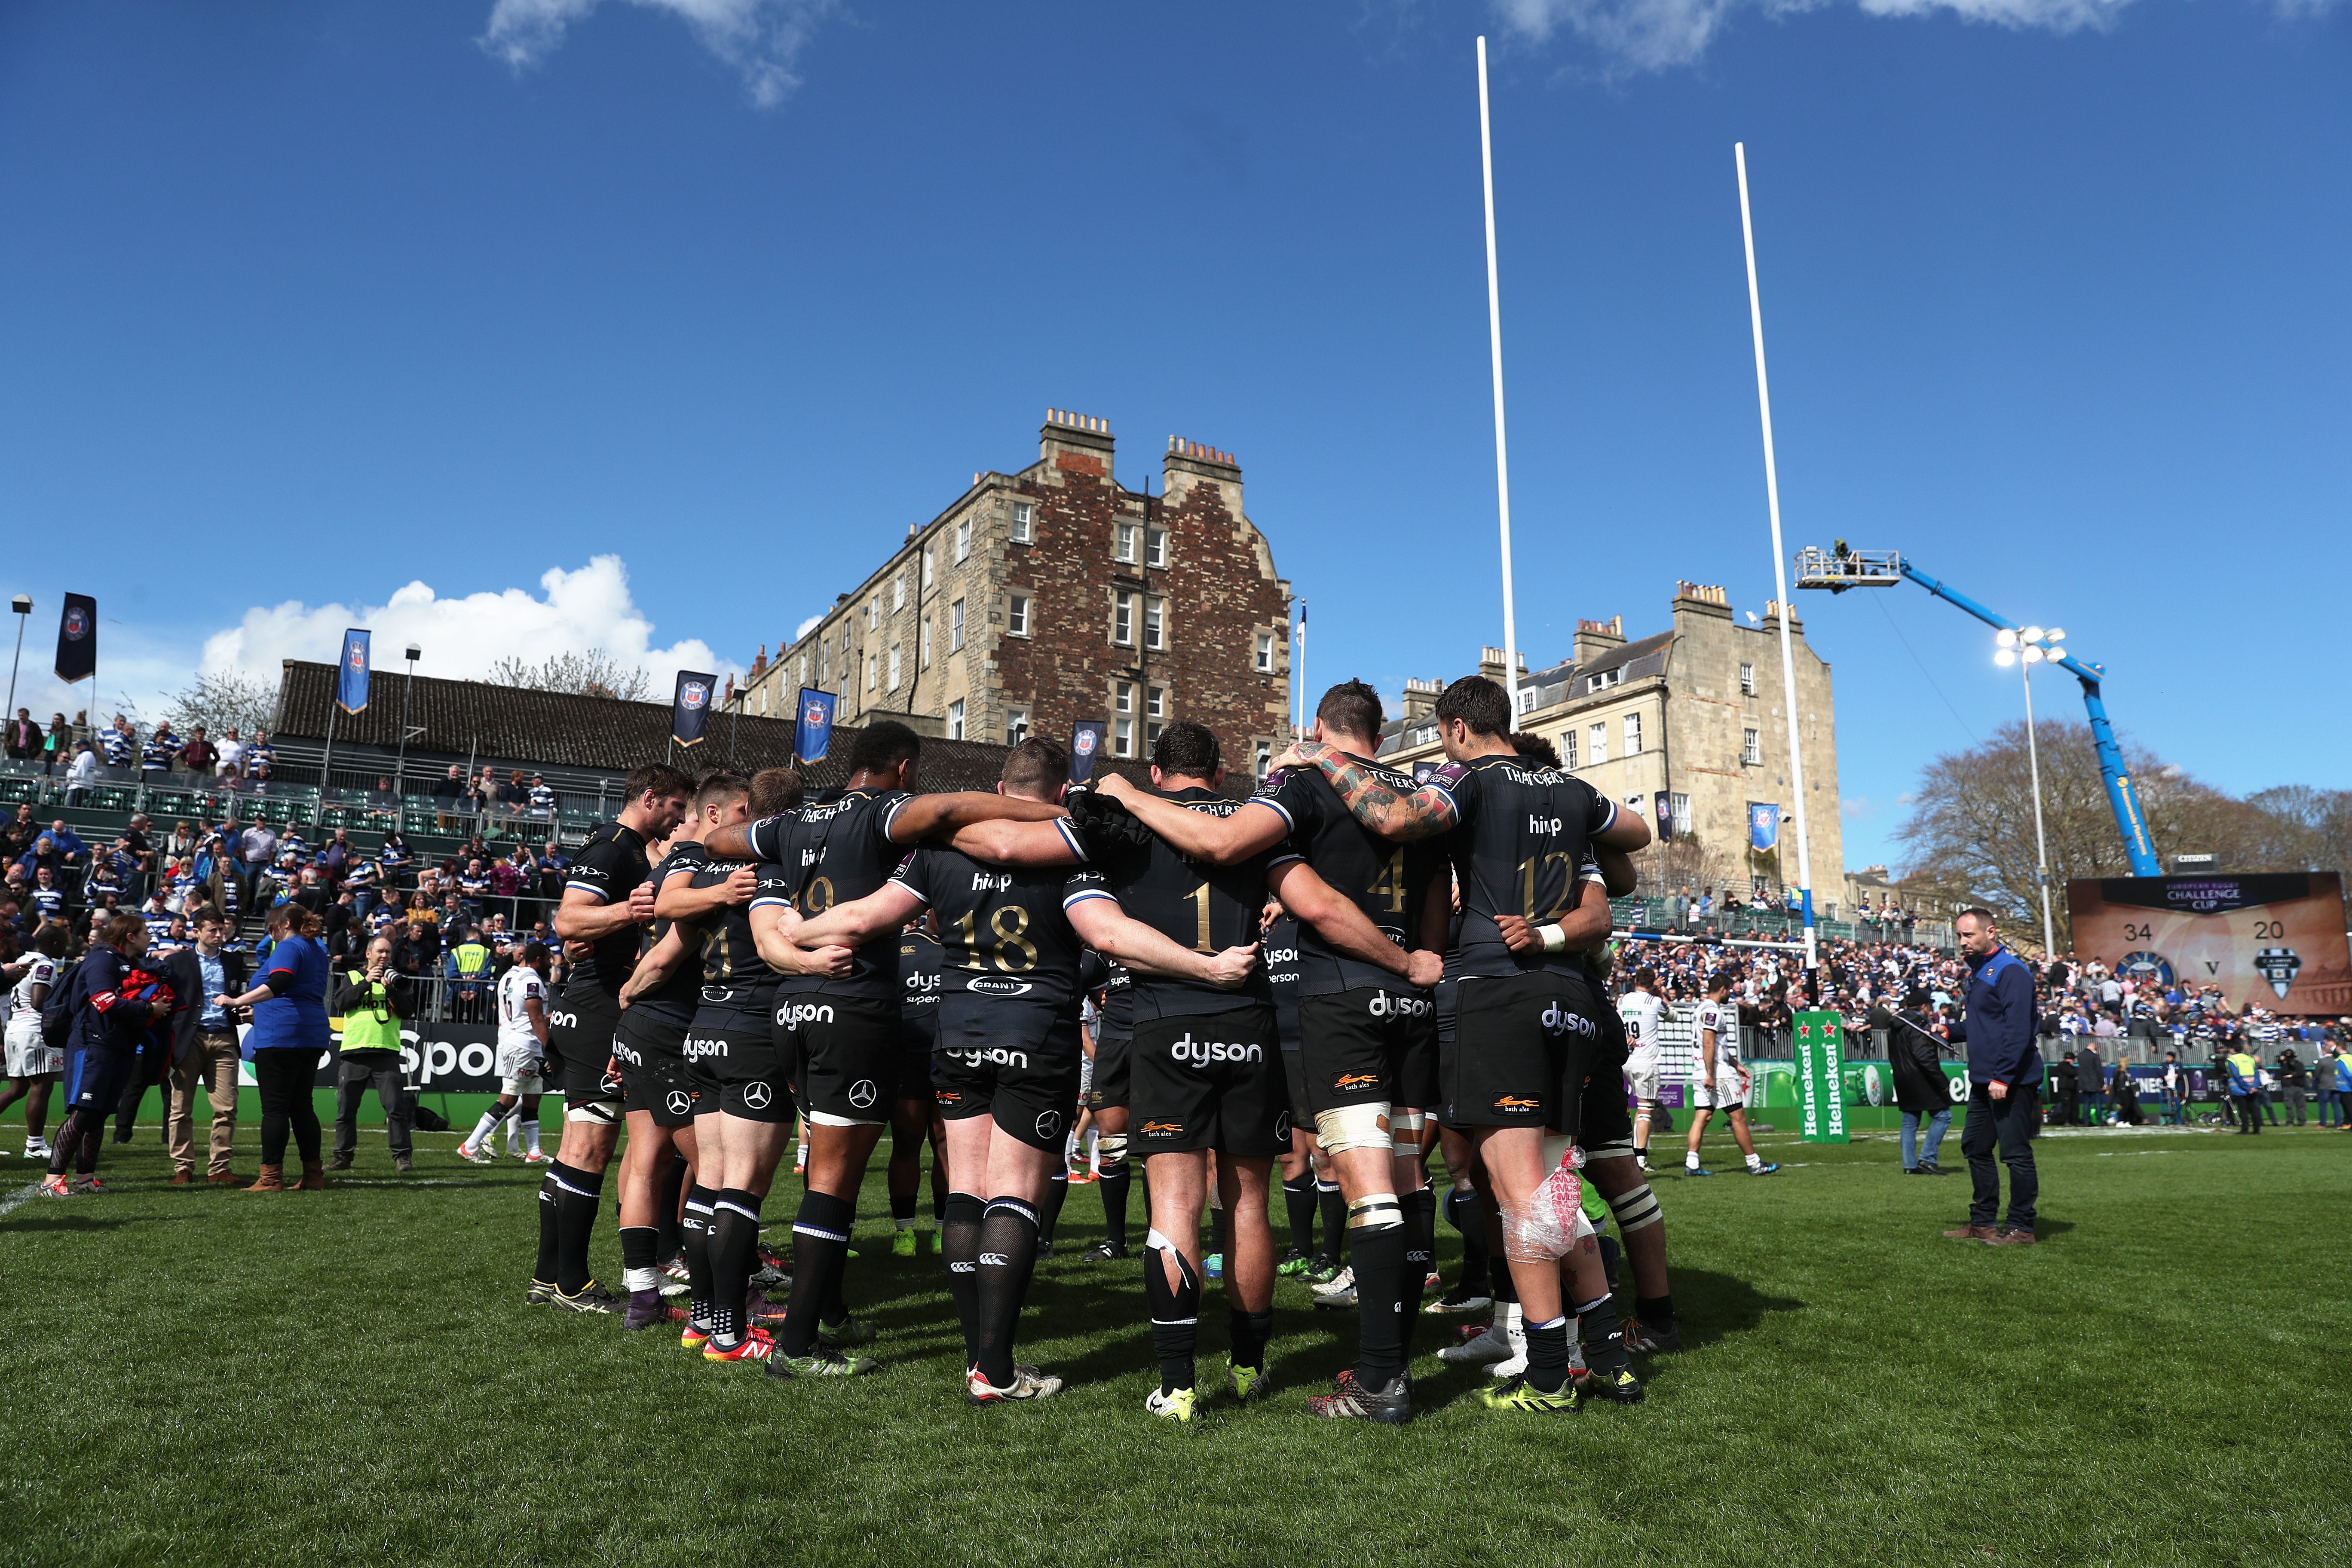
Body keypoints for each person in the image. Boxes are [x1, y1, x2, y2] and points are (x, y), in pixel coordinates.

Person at [791, 734, 1271, 1406]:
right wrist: (1203, 965)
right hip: (1036, 1031)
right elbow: (1105, 934)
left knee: (967, 1191)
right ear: (1056, 793)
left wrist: (792, 933)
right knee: (1015, 1191)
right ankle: (994, 1366)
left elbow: (867, 917)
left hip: (958, 1033)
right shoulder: (1074, 845)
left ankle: (978, 1354)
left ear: (998, 786)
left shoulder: (940, 850)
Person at [1271, 674, 1654, 1413]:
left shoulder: (1470, 780)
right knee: (1552, 1183)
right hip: (1571, 999)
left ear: (1453, 729)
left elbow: (1396, 816)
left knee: (1519, 1194)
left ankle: (1548, 1370)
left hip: (1498, 993)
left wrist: (1323, 759)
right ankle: (1607, 1353)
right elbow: (1634, 835)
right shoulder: (1571, 791)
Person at [1095, 689, 1449, 1419]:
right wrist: (1419, 957)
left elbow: (1226, 855)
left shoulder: (1266, 796)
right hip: (1276, 1023)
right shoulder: (1420, 794)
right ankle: (1254, 1362)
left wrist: (1122, 795)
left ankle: (1180, 1383)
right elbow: (1412, 890)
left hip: (1183, 1018)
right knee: (1260, 1199)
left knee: (1177, 1203)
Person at [700, 720, 1067, 1381]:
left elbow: (720, 839)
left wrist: (748, 859)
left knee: (819, 1162)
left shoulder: (795, 821)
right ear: (902, 769)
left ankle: (827, 1310)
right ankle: (800, 1346)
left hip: (789, 1005)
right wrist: (1047, 808)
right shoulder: (884, 814)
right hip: (853, 1003)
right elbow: (950, 811)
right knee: (834, 1181)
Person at [532, 764, 692, 1314]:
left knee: (576, 1146)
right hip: (600, 1010)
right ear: (650, 798)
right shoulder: (614, 846)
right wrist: (633, 909)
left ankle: (547, 1276)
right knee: (591, 1148)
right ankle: (571, 1285)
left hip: (589, 1003)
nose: (677, 818)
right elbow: (568, 921)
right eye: (674, 806)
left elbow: (581, 935)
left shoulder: (627, 847)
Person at [40, 913, 170, 1196]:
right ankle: (52, 1181)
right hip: (93, 1044)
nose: (150, 938)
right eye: (146, 933)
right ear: (131, 937)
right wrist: (149, 1010)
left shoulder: (129, 963)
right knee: (83, 1112)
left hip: (118, 1045)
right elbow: (104, 1001)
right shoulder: (103, 959)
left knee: (99, 1114)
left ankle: (85, 1178)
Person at [219, 903, 334, 1192]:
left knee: (275, 1110)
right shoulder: (317, 949)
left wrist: (238, 1001)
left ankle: (271, 1177)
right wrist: (259, 1014)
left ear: (283, 925)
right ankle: (313, 1174)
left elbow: (281, 982)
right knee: (302, 1107)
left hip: (282, 1036)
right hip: (311, 1033)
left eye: (272, 930)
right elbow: (301, 993)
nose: (271, 937)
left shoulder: (289, 947)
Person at [1943, 908, 2041, 1246]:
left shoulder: (2011, 971)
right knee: (1975, 1147)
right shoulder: (1979, 971)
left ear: (1992, 932)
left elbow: (2018, 1030)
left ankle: (2022, 1227)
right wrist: (1948, 1031)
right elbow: (1984, 1025)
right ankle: (1983, 1222)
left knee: (2015, 1153)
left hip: (2008, 1080)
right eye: (1959, 936)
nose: (1962, 942)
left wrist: (2003, 1076)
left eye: (1968, 935)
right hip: (1985, 1078)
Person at [162, 909, 247, 1185]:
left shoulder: (235, 961)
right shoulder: (176, 962)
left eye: (222, 929)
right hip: (190, 1039)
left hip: (225, 1037)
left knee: (226, 1107)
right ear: (196, 932)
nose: (220, 935)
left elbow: (240, 995)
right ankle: (183, 1168)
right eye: (213, 930)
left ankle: (219, 1168)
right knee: (180, 1108)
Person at [329, 934, 415, 1173]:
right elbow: (341, 1002)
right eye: (380, 952)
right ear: (369, 954)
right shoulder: (354, 977)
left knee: (395, 1109)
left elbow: (408, 1011)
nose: (385, 956)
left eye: (388, 952)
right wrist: (367, 982)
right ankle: (343, 1157)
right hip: (355, 1051)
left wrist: (392, 992)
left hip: (386, 1052)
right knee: (346, 1110)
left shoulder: (397, 981)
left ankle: (402, 1157)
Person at [463, 943, 554, 1167]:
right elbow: (535, 1019)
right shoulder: (533, 981)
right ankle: (470, 1145)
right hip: (523, 1044)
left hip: (514, 1041)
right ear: (540, 959)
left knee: (533, 1100)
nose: (552, 964)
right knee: (509, 1098)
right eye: (549, 959)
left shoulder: (509, 977)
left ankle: (534, 1151)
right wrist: (552, 1050)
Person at [1685, 974, 1777, 1177]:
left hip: (1700, 1071)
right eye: (1730, 990)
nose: (1731, 994)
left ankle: (1692, 1164)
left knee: (1703, 1116)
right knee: (1738, 1117)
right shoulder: (1713, 1012)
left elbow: (1715, 1046)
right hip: (1717, 1074)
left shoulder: (1700, 1009)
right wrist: (1712, 1074)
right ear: (1724, 989)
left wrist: (1736, 1065)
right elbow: (1709, 1043)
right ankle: (1754, 1163)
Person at [0, 924, 70, 1159]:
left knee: (16, 1089)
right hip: (33, 1031)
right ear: (56, 944)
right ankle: (35, 1146)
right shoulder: (45, 964)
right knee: (41, 1087)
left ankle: (36, 1145)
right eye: (65, 944)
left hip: (14, 1028)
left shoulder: (22, 959)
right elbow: (39, 1001)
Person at [1872, 986, 1952, 1174]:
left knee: (1910, 1121)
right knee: (1943, 1116)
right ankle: (1928, 1158)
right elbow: (1925, 1057)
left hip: (1902, 1076)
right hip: (1921, 1078)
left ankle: (1909, 1165)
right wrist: (1941, 1081)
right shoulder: (1918, 1025)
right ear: (1923, 1007)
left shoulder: (1896, 1024)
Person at [1616, 968, 1667, 1173]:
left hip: (1625, 1059)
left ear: (1635, 980)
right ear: (1653, 983)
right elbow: (1673, 1015)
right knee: (1645, 1110)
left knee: (1623, 1108)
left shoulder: (1623, 1000)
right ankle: (1640, 1160)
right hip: (1646, 1062)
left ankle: (1621, 1155)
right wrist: (1660, 994)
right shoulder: (1655, 1002)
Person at [2224, 1043, 2262, 1134]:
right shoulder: (2250, 1058)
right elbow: (2257, 1073)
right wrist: (2254, 1087)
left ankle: (2245, 1129)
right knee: (2254, 1109)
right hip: (2253, 1086)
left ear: (2233, 1050)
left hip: (2240, 1087)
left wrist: (2247, 1088)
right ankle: (2257, 1130)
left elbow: (2236, 1075)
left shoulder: (2232, 1060)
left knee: (2243, 1109)